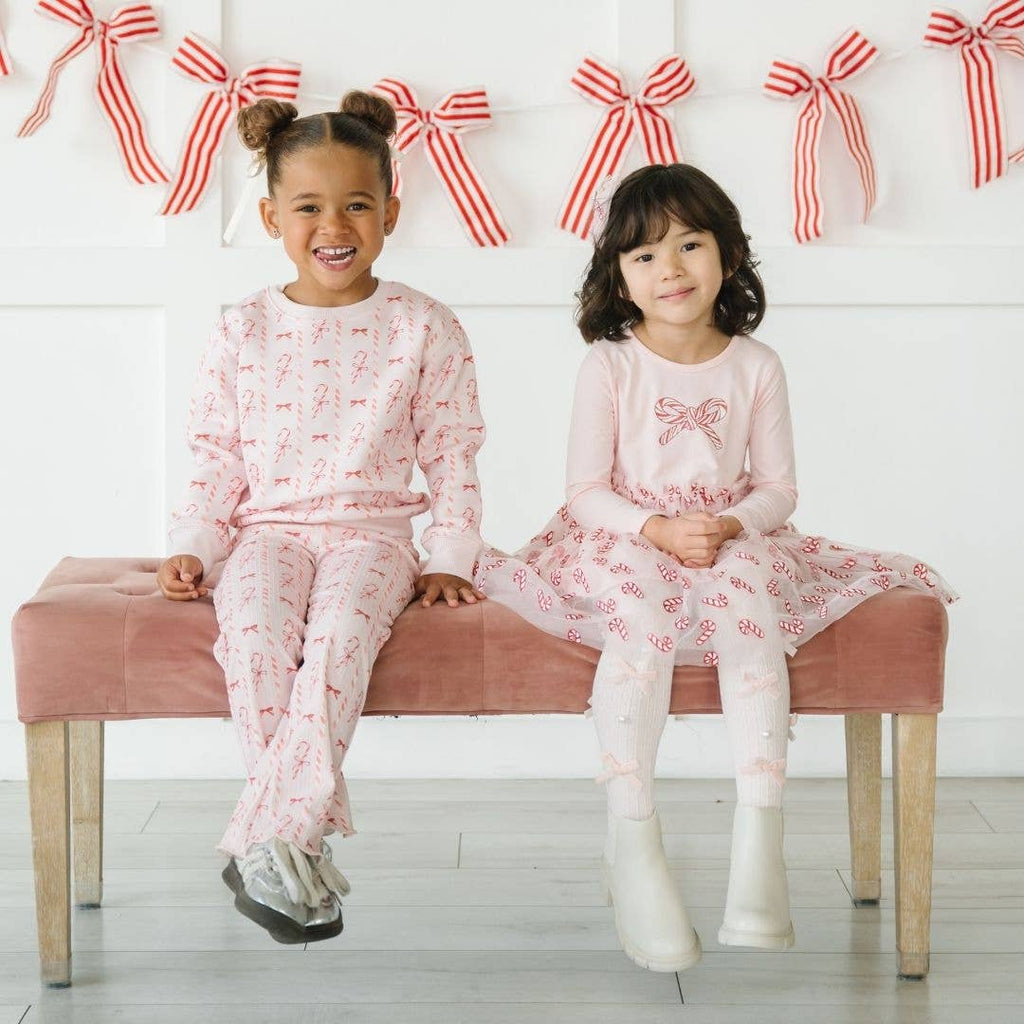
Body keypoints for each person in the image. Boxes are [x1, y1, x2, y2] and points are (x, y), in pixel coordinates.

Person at [475, 163, 956, 972]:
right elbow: (586, 491)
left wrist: (730, 523)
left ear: (728, 256)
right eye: (645, 255)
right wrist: (655, 528)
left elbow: (779, 487)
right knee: (642, 624)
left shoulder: (756, 365)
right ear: (619, 278)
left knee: (748, 612)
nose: (670, 269)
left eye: (690, 245)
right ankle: (632, 845)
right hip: (624, 536)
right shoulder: (611, 366)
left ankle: (759, 848)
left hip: (730, 534)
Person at [157, 91, 487, 945]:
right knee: (258, 635)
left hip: (374, 536)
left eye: (356, 204)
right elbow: (216, 455)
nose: (332, 224)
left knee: (339, 636)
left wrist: (451, 554)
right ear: (271, 216)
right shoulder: (243, 329)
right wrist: (195, 544)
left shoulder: (424, 325)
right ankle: (287, 844)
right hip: (265, 533)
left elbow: (453, 450)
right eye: (307, 206)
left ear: (391, 212)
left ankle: (268, 843)